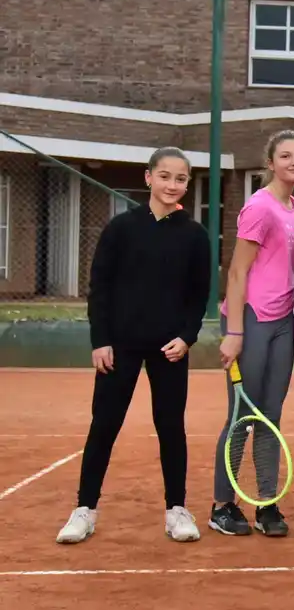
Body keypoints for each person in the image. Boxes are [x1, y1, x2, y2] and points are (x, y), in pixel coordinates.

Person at [57, 147, 210, 546]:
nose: (171, 185)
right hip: (120, 347)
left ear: (186, 184)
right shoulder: (120, 229)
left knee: (170, 428)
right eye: (164, 176)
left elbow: (199, 295)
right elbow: (100, 288)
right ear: (148, 178)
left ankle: (176, 510)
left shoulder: (194, 235)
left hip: (169, 349)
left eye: (180, 179)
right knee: (104, 426)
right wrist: (100, 340)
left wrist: (187, 336)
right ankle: (84, 509)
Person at [210, 130, 294, 538]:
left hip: (283, 322)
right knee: (241, 417)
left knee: (271, 417)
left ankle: (267, 503)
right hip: (250, 320)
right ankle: (223, 505)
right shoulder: (259, 208)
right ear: (270, 163)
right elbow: (237, 271)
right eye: (286, 156)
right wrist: (234, 330)